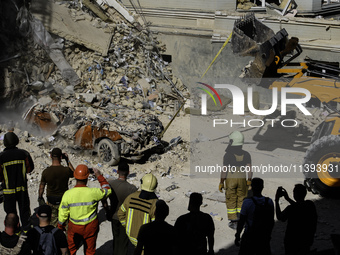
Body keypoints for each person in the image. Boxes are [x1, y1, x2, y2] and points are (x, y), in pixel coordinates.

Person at [58, 165, 111, 255]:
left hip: (74, 227)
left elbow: (63, 213)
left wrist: (61, 226)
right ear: (87, 177)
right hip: (90, 227)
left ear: (75, 176)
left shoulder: (68, 194)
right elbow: (107, 190)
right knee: (90, 251)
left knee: (71, 249)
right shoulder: (94, 192)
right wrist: (99, 175)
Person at [0, 132, 34, 229]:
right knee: (24, 211)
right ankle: (27, 232)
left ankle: (14, 232)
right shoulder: (24, 154)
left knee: (11, 214)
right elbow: (30, 169)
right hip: (22, 189)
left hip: (8, 191)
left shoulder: (1, 157)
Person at [219, 131, 252, 229]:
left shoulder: (227, 155)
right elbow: (249, 169)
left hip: (231, 179)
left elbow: (224, 170)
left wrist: (221, 182)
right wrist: (249, 180)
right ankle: (241, 220)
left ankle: (234, 221)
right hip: (242, 179)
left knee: (231, 199)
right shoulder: (246, 154)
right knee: (242, 199)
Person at [103, 162, 137, 255]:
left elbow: (103, 199)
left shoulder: (110, 184)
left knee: (116, 238)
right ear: (128, 172)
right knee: (123, 241)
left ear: (117, 171)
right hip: (125, 218)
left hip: (113, 215)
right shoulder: (132, 189)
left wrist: (107, 210)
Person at [235, 178, 274, 255]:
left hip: (250, 235)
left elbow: (241, 221)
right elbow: (271, 221)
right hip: (263, 236)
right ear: (262, 187)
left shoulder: (247, 202)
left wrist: (237, 235)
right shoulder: (269, 202)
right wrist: (268, 235)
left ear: (252, 187)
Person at [118, 173, 158, 247]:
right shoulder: (154, 203)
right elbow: (156, 225)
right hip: (145, 241)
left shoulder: (131, 197)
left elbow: (120, 214)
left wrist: (126, 225)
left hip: (131, 236)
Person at [275, 184, 317, 255]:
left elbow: (280, 217)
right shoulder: (310, 205)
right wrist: (287, 198)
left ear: (295, 194)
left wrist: (276, 200)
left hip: (292, 242)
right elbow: (299, 207)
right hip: (306, 241)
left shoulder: (291, 209)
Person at [38, 148, 75, 227]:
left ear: (51, 156)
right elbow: (74, 173)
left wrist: (40, 197)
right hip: (63, 199)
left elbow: (41, 187)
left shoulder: (46, 172)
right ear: (61, 157)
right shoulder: (66, 170)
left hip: (51, 200)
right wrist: (67, 160)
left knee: (53, 222)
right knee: (65, 221)